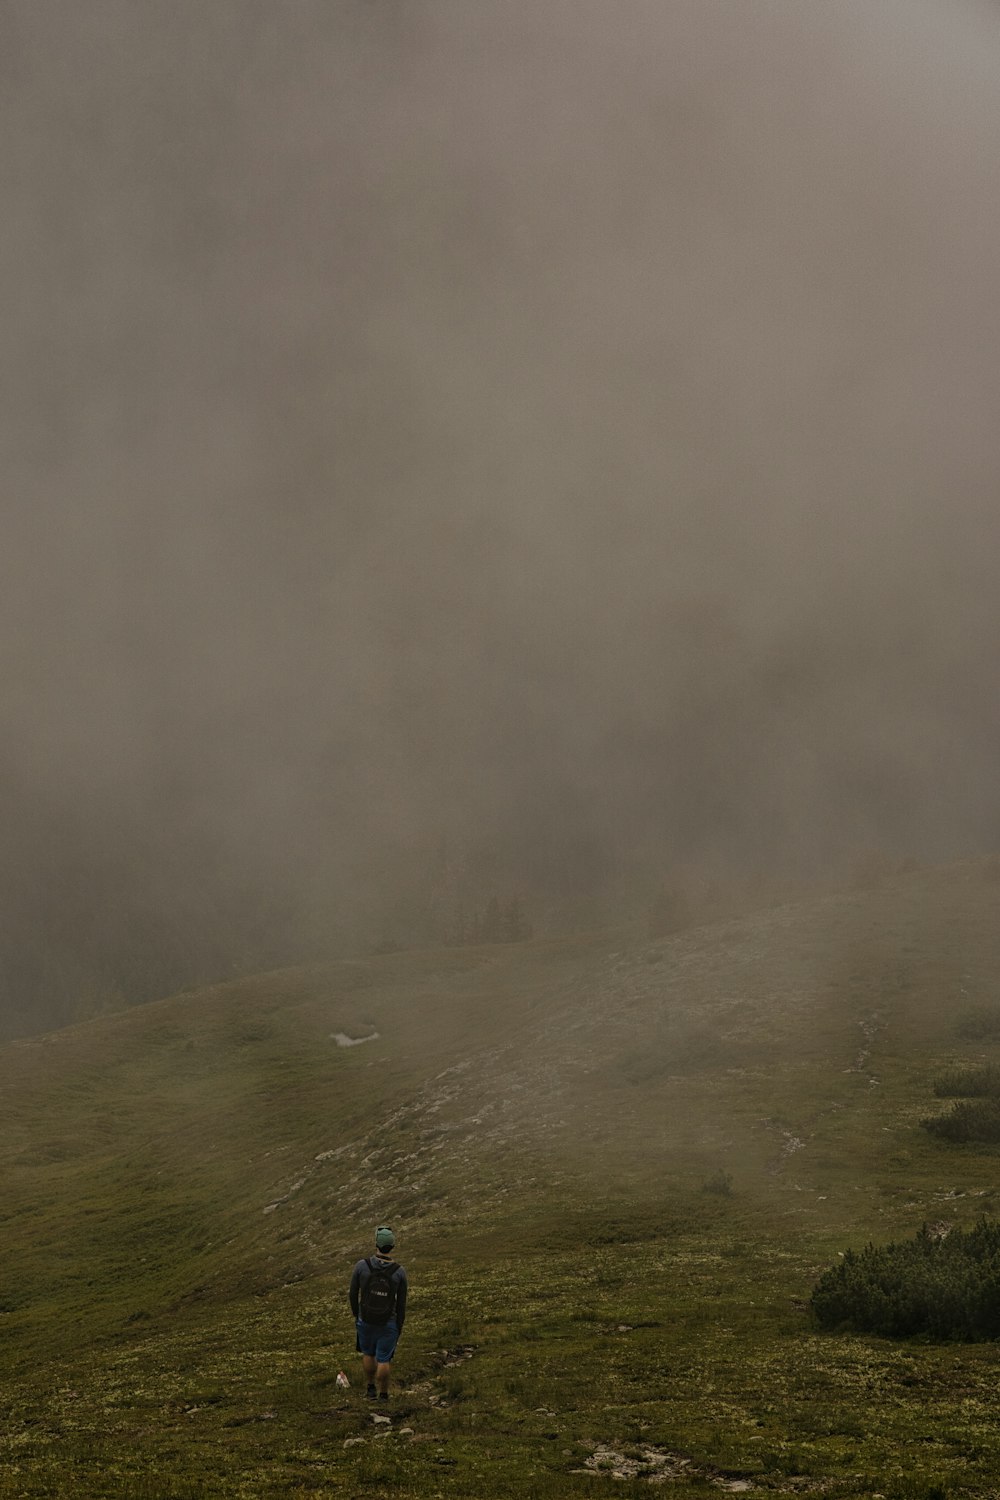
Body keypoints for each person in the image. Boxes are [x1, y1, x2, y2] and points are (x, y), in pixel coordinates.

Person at [349, 1225, 408, 1401]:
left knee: (368, 1353)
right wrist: (399, 1325)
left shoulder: (362, 1266)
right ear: (392, 1246)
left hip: (365, 1319)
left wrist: (357, 1315)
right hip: (388, 1322)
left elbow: (353, 1293)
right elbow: (401, 1304)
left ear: (376, 1243)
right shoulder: (399, 1272)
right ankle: (383, 1394)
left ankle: (370, 1388)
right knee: (383, 1359)